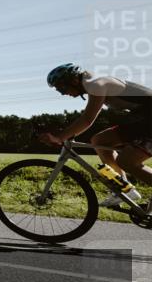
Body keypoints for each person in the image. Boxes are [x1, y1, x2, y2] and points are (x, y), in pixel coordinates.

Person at [40, 64, 152, 207]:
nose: (62, 93)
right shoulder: (96, 85)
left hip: (147, 120)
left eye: (61, 87)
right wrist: (64, 134)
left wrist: (60, 137)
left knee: (127, 162)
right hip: (144, 119)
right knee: (100, 141)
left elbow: (87, 119)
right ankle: (123, 189)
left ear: (74, 81)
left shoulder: (96, 85)